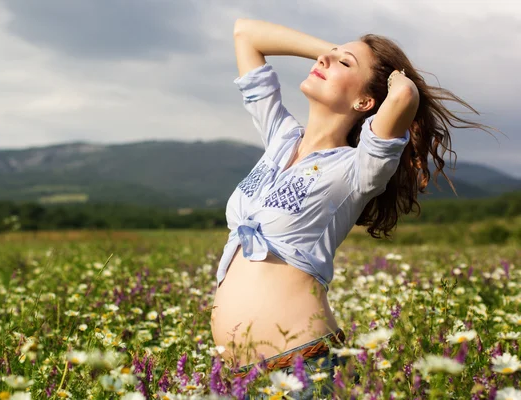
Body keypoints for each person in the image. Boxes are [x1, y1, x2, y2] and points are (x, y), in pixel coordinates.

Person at [209, 18, 499, 399]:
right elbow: (245, 33)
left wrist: (392, 75)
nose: (325, 61)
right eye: (328, 57)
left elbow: (404, 97)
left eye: (344, 65)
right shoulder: (280, 139)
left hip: (303, 371)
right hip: (235, 377)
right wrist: (334, 54)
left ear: (364, 102)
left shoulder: (358, 168)